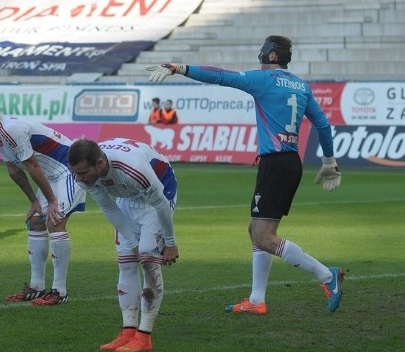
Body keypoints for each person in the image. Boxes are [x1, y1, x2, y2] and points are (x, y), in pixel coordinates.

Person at [147, 35, 344, 313]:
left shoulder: (264, 80)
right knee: (255, 231)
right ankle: (256, 300)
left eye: (263, 50)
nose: (260, 54)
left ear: (272, 56)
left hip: (276, 164)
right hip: (287, 162)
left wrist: (180, 67)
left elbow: (221, 76)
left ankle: (327, 275)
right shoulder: (301, 85)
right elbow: (322, 124)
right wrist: (329, 161)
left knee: (265, 236)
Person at [0, 96, 85, 306]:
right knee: (35, 221)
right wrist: (34, 201)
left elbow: (32, 166)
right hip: (51, 176)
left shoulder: (12, 130)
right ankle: (36, 287)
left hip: (68, 169)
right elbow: (14, 170)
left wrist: (50, 201)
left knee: (54, 221)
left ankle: (60, 291)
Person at [67, 138, 179, 352]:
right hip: (127, 198)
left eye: (83, 173)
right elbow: (108, 206)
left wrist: (170, 243)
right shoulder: (83, 174)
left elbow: (161, 205)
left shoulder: (132, 168)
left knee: (148, 260)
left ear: (99, 164)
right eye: (76, 173)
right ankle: (128, 331)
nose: (78, 179)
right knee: (126, 261)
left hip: (158, 195)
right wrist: (131, 241)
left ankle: (144, 336)